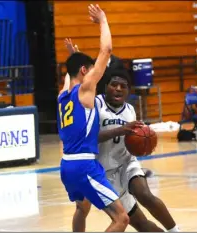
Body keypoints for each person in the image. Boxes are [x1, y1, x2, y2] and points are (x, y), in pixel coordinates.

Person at [57, 5, 129, 232]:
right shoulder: (85, 91)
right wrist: (103, 19)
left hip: (66, 166)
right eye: (90, 70)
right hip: (84, 165)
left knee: (82, 208)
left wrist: (74, 56)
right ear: (84, 72)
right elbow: (106, 49)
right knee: (121, 219)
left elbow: (72, 72)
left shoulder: (62, 95)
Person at [93, 68, 180, 232]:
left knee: (145, 195)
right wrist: (121, 130)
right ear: (105, 87)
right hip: (105, 174)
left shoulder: (130, 110)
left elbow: (134, 140)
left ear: (128, 91)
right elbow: (89, 138)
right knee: (142, 225)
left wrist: (143, 144)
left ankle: (176, 231)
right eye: (114, 85)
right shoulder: (96, 105)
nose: (118, 88)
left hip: (127, 163)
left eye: (123, 86)